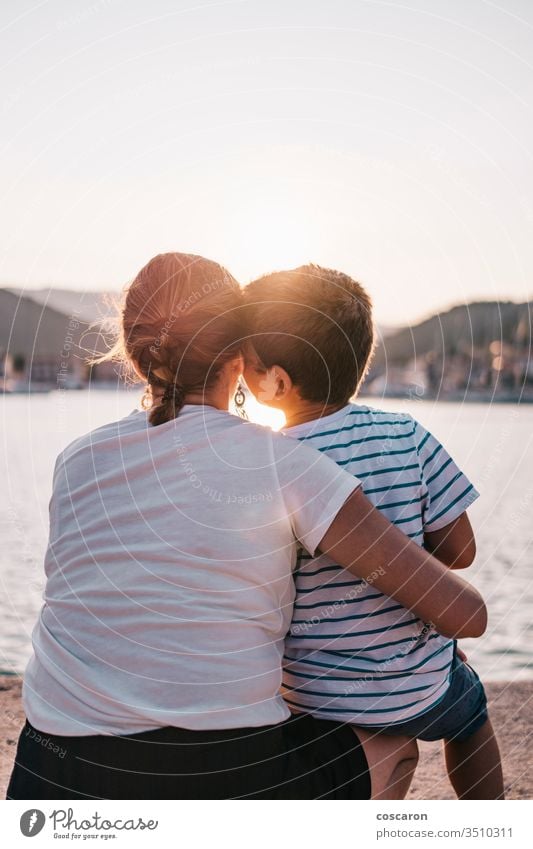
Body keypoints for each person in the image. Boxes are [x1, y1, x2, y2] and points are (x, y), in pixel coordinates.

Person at [7, 253, 486, 800]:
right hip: (222, 779)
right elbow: (466, 616)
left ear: (138, 356)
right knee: (393, 745)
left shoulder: (76, 460)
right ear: (241, 355)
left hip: (51, 775)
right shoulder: (286, 464)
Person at [242, 263, 503, 800]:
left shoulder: (268, 465)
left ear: (277, 382)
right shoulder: (406, 434)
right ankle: (491, 817)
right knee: (470, 711)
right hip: (420, 685)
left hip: (317, 696)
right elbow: (462, 548)